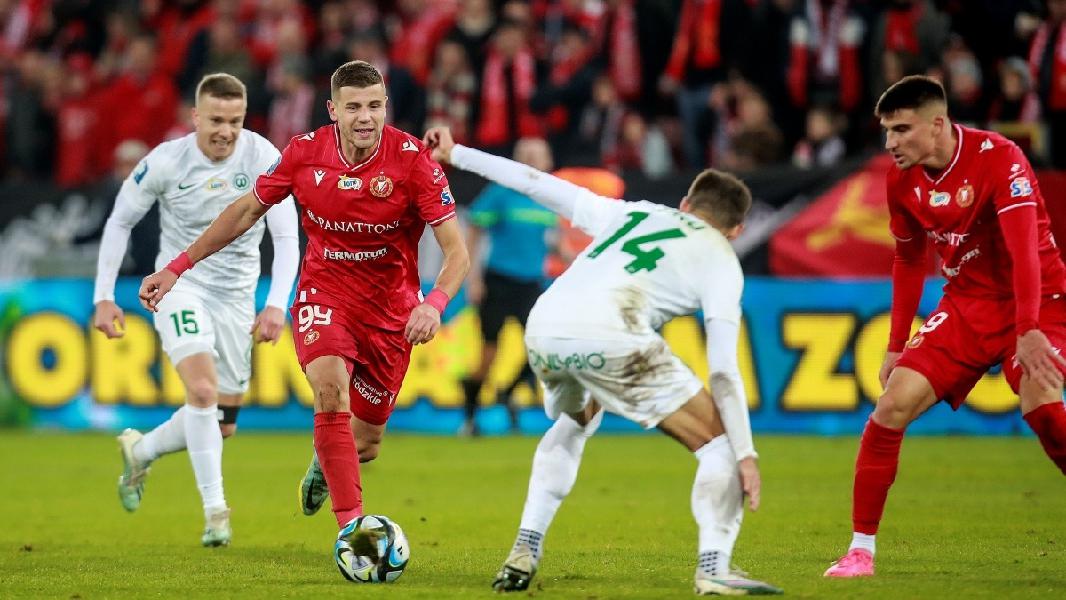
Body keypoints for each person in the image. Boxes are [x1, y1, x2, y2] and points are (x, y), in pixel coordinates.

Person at [423, 126, 781, 596]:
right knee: (719, 448)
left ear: (685, 205)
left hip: (546, 328)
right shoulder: (721, 258)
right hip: (613, 334)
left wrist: (456, 153)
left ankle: (525, 545)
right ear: (736, 231)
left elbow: (535, 182)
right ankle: (715, 568)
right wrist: (746, 454)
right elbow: (722, 371)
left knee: (575, 423)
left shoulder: (633, 213)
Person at [138, 61, 469, 541]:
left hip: (391, 310)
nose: (365, 118)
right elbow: (245, 211)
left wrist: (433, 303)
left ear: (385, 107)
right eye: (353, 107)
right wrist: (176, 267)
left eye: (374, 106)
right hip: (325, 293)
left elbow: (457, 252)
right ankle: (351, 529)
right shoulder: (304, 153)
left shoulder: (414, 161)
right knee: (329, 389)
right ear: (333, 110)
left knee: (366, 443)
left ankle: (325, 460)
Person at [824, 75, 1066, 578]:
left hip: (1038, 301)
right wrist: (895, 345)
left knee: (1041, 404)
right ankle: (860, 552)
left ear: (937, 125)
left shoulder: (1000, 158)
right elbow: (909, 259)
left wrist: (1027, 328)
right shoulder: (901, 179)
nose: (890, 143)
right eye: (886, 131)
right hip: (967, 306)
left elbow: (1024, 250)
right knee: (890, 406)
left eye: (901, 130)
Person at [93, 73, 300, 546]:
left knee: (221, 425)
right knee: (202, 390)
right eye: (216, 121)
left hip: (237, 297)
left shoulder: (264, 156)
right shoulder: (166, 161)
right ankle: (216, 513)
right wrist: (103, 295)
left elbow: (287, 235)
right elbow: (120, 221)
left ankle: (141, 450)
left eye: (235, 121)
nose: (225, 131)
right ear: (195, 117)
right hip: (178, 285)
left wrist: (275, 304)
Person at [460, 137, 558, 436]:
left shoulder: (550, 197)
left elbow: (551, 241)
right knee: (489, 354)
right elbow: (474, 231)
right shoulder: (501, 193)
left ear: (548, 162)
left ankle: (508, 392)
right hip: (499, 281)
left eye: (536, 155)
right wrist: (472, 279)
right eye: (525, 154)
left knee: (544, 348)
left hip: (532, 284)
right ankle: (471, 418)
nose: (530, 160)